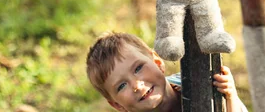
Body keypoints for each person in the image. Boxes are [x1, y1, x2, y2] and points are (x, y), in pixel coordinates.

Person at [86, 32, 248, 112]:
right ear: (117, 105)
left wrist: (230, 95)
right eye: (121, 86)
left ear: (157, 62)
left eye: (138, 68)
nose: (136, 85)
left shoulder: (196, 82)